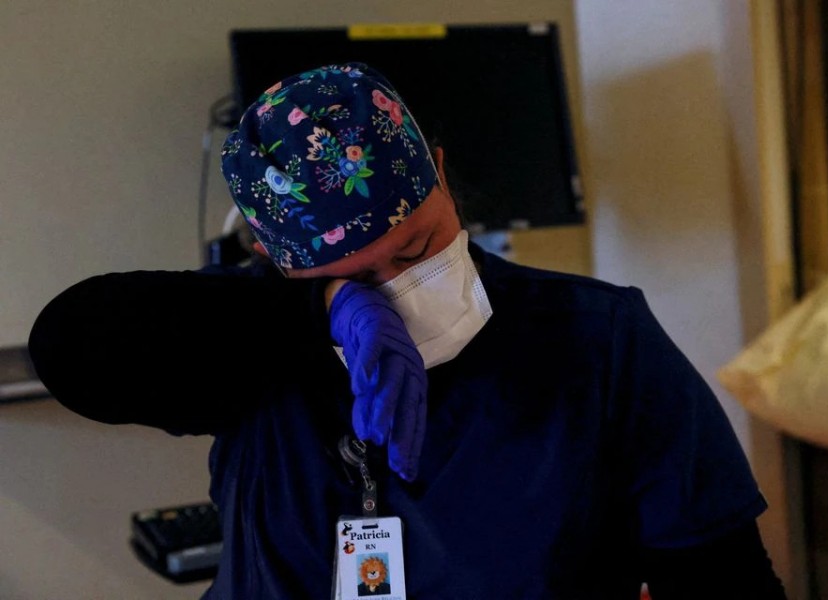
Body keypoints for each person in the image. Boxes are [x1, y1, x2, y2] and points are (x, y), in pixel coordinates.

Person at [28, 63, 787, 599]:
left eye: (417, 248)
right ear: (273, 257)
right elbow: (73, 347)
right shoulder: (242, 346)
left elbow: (721, 575)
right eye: (354, 276)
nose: (395, 287)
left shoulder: (596, 341)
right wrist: (317, 314)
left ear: (442, 173)